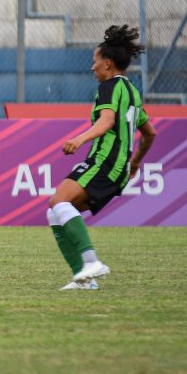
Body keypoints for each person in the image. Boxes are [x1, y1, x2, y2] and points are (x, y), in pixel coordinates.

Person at [48, 24, 157, 291]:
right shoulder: (132, 93)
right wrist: (135, 163)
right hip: (117, 168)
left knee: (58, 201)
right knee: (56, 212)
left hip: (104, 162)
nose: (92, 67)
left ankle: (91, 261)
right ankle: (85, 279)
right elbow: (149, 133)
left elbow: (107, 121)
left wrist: (79, 139)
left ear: (107, 64)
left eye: (95, 61)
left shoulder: (110, 87)